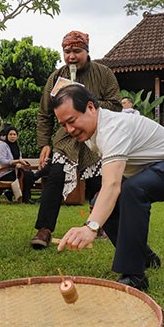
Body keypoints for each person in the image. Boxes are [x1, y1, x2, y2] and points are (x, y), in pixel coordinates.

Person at [53, 85, 164, 290]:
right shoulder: (92, 131)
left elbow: (112, 184)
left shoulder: (113, 128)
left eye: (72, 121)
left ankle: (134, 276)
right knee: (99, 203)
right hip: (149, 168)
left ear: (91, 108)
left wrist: (91, 228)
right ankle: (145, 257)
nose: (69, 130)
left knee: (132, 190)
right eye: (63, 125)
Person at [30, 30, 121, 249]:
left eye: (77, 51)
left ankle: (103, 226)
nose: (71, 56)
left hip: (95, 137)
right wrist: (44, 144)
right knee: (55, 177)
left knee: (100, 183)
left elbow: (116, 105)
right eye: (67, 51)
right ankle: (44, 229)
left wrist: (87, 100)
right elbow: (44, 113)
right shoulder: (56, 77)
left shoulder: (103, 73)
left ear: (87, 51)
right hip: (66, 139)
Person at [0, 125, 37, 203]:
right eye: (10, 134)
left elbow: (19, 159)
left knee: (29, 174)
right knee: (26, 175)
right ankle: (24, 198)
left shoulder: (16, 147)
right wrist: (17, 162)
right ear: (7, 135)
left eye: (14, 134)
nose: (12, 136)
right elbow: (2, 161)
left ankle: (19, 195)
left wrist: (20, 164)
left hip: (14, 171)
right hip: (3, 173)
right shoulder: (2, 146)